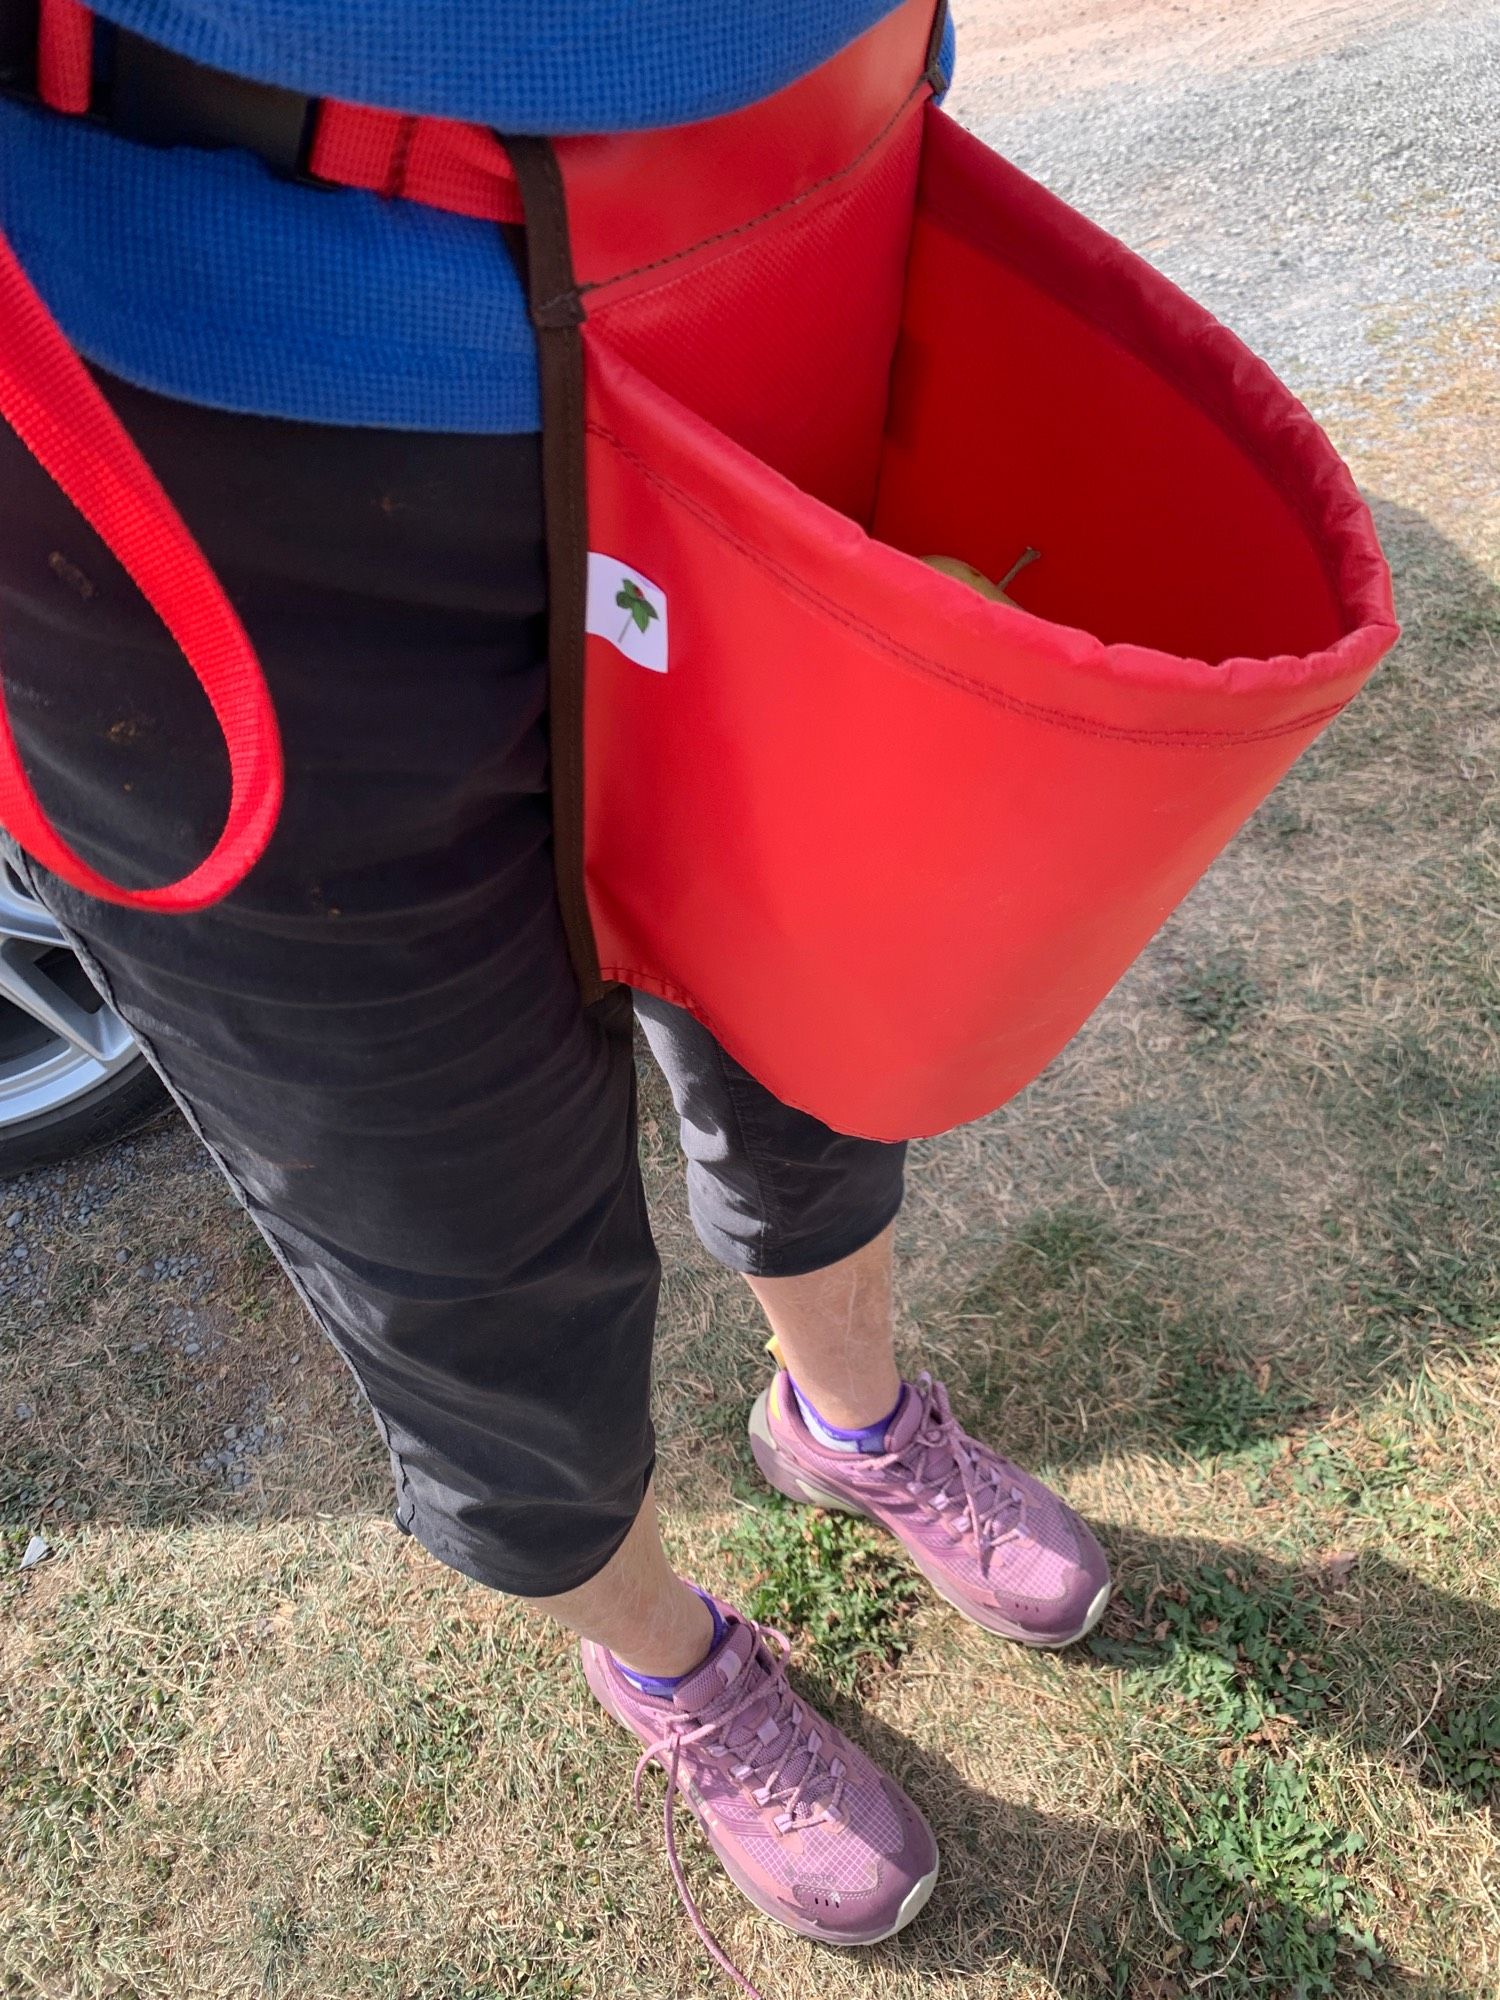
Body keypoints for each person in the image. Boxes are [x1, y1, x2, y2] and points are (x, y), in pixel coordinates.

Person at [0, 2, 1110, 1986]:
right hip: (176, 411)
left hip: (782, 241)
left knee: (816, 980)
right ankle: (660, 1656)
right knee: (432, 1190)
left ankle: (848, 1422)